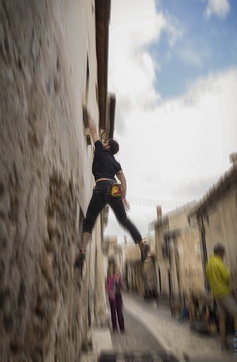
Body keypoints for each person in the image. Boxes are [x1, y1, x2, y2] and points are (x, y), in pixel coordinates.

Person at [74, 112, 149, 268]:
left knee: (90, 219)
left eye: (105, 141)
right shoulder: (115, 162)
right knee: (124, 220)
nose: (103, 142)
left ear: (107, 145)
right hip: (115, 188)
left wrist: (89, 116)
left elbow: (93, 131)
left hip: (101, 187)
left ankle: (81, 252)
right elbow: (123, 179)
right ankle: (141, 243)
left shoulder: (100, 149)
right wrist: (122, 197)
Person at [206, 243, 237, 350]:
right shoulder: (219, 263)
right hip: (224, 293)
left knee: (222, 318)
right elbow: (226, 277)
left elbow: (209, 278)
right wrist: (229, 272)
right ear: (220, 252)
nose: (224, 254)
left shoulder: (208, 263)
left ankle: (223, 343)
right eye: (224, 252)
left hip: (216, 294)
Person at [107, 267, 125, 333]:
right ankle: (114, 327)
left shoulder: (120, 279)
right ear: (114, 274)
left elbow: (123, 287)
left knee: (120, 311)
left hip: (118, 296)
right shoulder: (111, 279)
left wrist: (122, 286)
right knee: (113, 312)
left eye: (118, 274)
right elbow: (108, 287)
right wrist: (113, 287)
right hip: (112, 297)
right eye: (116, 274)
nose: (117, 275)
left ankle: (122, 327)